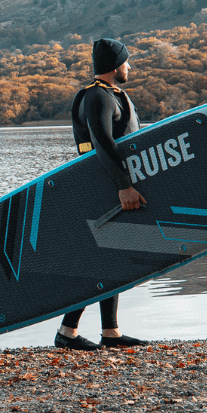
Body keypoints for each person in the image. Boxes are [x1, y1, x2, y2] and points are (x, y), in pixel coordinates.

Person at [54, 38, 150, 351]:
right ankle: (67, 333)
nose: (129, 66)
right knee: (99, 259)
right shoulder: (96, 96)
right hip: (101, 186)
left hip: (112, 184)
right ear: (114, 65)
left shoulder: (111, 94)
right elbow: (102, 143)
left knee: (112, 257)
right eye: (126, 61)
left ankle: (109, 332)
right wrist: (123, 185)